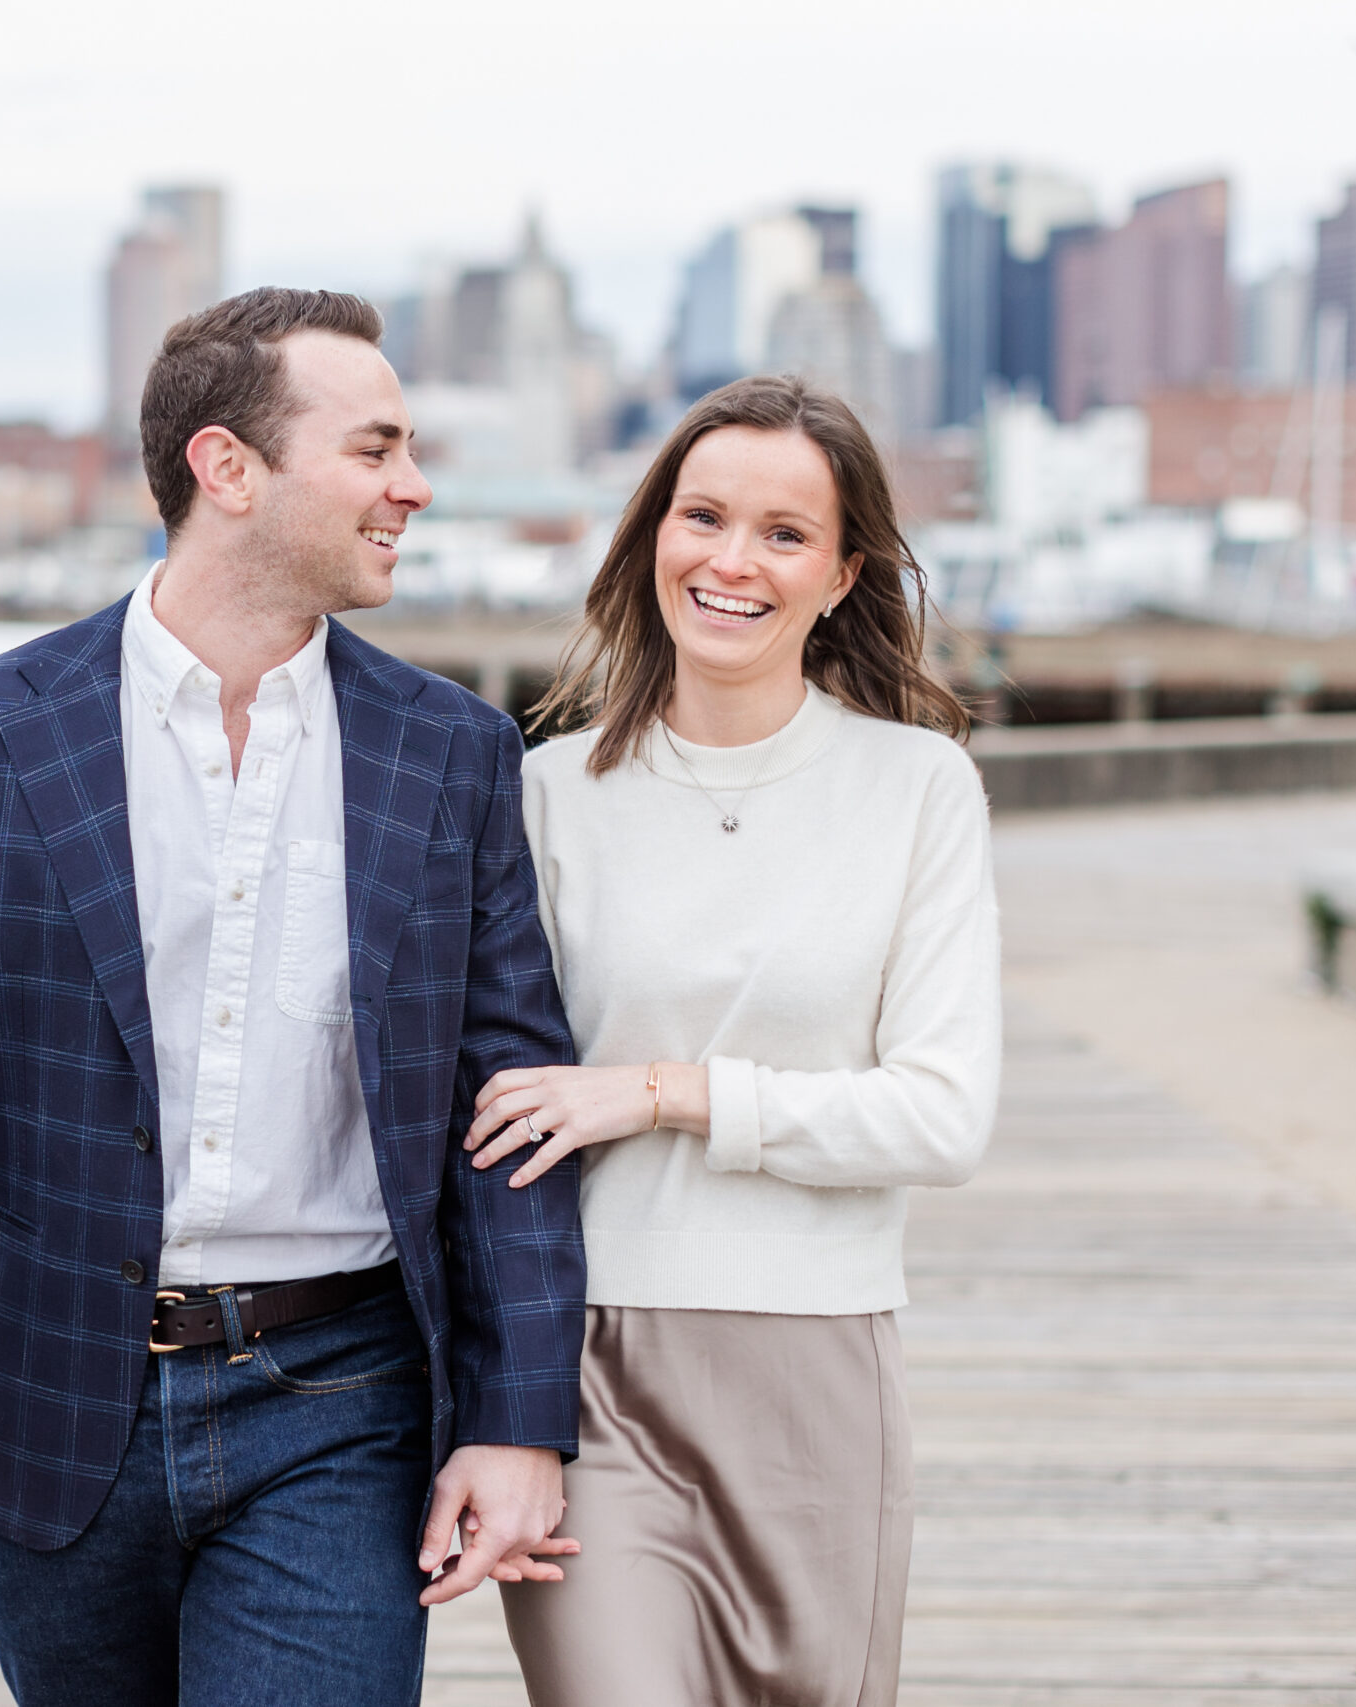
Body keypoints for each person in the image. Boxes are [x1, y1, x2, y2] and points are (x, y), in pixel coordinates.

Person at [0, 286, 586, 1707]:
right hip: (56, 1393)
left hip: (341, 1400)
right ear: (228, 469)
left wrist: (522, 1416)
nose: (413, 485)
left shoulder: (452, 755)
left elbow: (506, 1105)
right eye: (375, 448)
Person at [468, 375, 1001, 1706]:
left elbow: (941, 1116)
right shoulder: (539, 797)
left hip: (818, 1367)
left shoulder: (918, 788)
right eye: (702, 516)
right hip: (584, 1372)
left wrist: (668, 1094)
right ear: (651, 535)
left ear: (841, 572)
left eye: (782, 533)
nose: (731, 561)